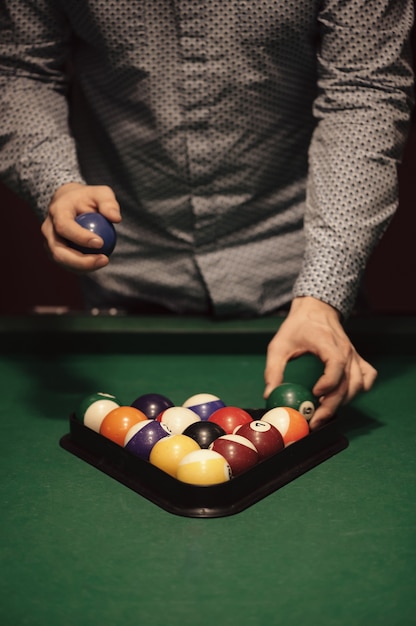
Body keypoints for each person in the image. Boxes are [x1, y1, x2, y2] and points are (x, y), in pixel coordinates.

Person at [0, 1, 414, 429]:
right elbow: (18, 71)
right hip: (129, 257)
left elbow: (366, 91)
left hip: (296, 262)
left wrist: (323, 294)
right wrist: (57, 183)